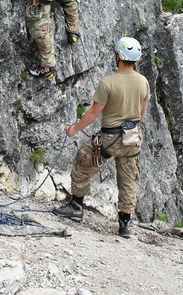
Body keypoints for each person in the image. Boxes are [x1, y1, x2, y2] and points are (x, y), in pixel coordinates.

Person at [53, 37, 150, 237]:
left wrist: (74, 129)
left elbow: (93, 113)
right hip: (132, 138)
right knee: (128, 180)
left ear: (118, 56)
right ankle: (124, 225)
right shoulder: (143, 82)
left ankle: (76, 207)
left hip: (109, 138)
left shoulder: (108, 83)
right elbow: (142, 114)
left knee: (82, 163)